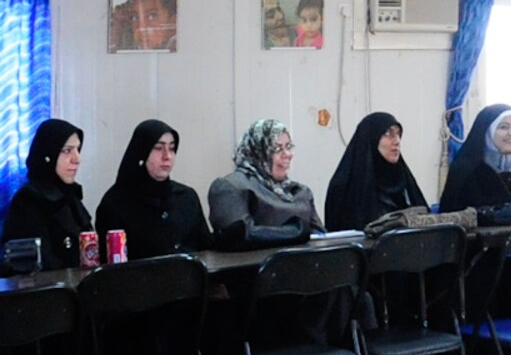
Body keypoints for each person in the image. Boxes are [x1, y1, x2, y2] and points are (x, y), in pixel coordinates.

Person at [94, 119, 210, 260]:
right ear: (142, 152)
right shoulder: (116, 203)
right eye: (158, 148)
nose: (167, 156)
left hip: (188, 280)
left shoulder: (186, 197)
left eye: (172, 148)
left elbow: (205, 248)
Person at [208, 119, 320, 249]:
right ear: (257, 151)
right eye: (278, 149)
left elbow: (322, 238)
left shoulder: (301, 192)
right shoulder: (231, 186)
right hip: (255, 267)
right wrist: (296, 231)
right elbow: (237, 237)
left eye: (288, 147)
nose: (288, 155)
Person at [3, 120, 91, 269]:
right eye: (67, 150)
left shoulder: (71, 197)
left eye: (77, 149)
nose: (77, 159)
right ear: (48, 155)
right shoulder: (28, 202)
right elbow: (36, 269)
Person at [324, 111, 425, 232]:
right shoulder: (344, 187)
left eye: (398, 134)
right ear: (371, 139)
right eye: (388, 134)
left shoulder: (403, 180)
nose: (397, 141)